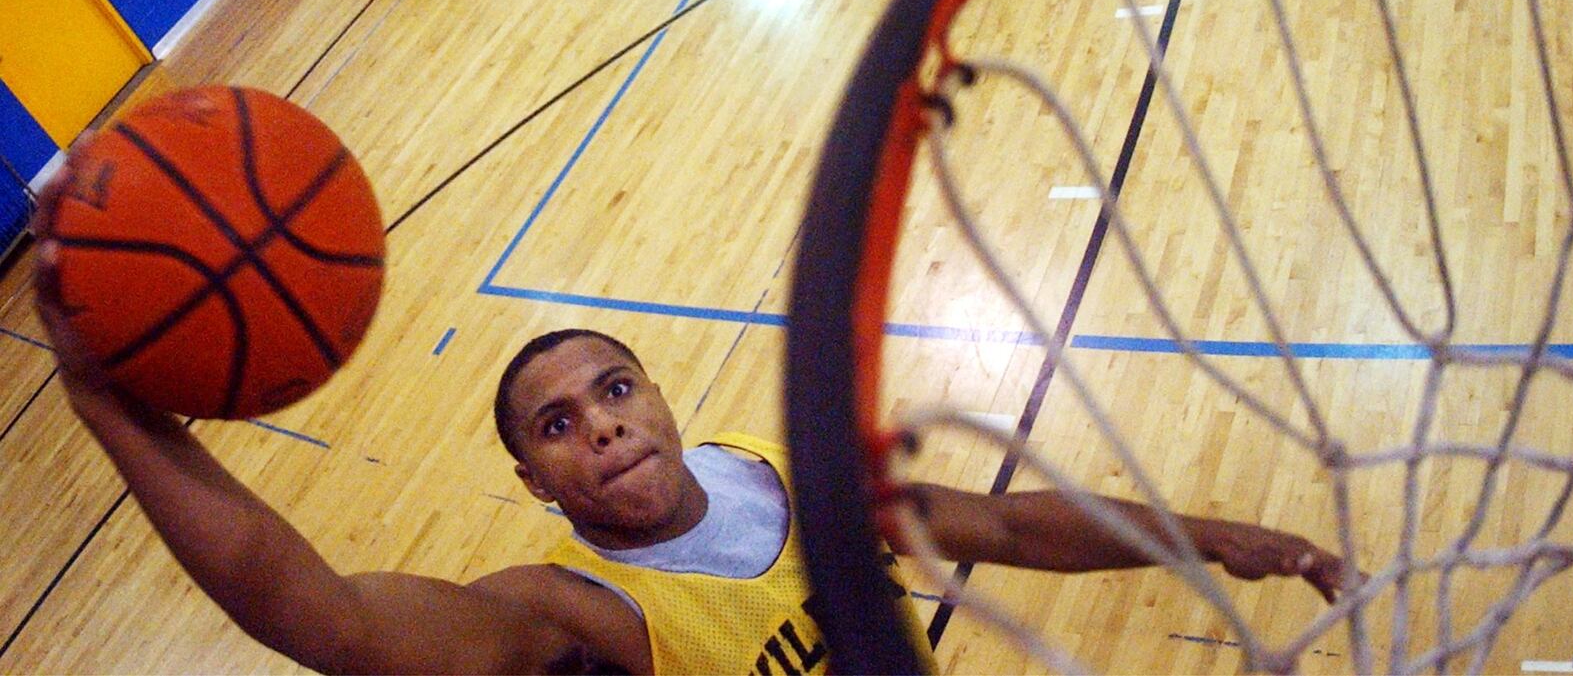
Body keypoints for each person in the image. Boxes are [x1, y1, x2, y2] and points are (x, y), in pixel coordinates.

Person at [34, 247, 1353, 675]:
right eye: (557, 425)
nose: (602, 423)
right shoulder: (570, 608)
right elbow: (317, 613)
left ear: (660, 399)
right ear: (537, 485)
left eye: (613, 388)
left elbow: (1004, 528)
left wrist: (1223, 534)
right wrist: (113, 406)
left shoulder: (773, 470)